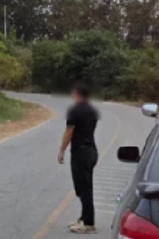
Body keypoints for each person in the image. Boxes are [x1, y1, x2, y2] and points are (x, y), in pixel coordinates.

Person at [57, 82, 99, 234]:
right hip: (92, 150)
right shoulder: (92, 110)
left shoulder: (75, 110)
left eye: (73, 93)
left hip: (81, 152)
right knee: (82, 187)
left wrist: (61, 150)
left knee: (84, 188)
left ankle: (89, 223)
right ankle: (84, 217)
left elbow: (69, 131)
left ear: (77, 94)